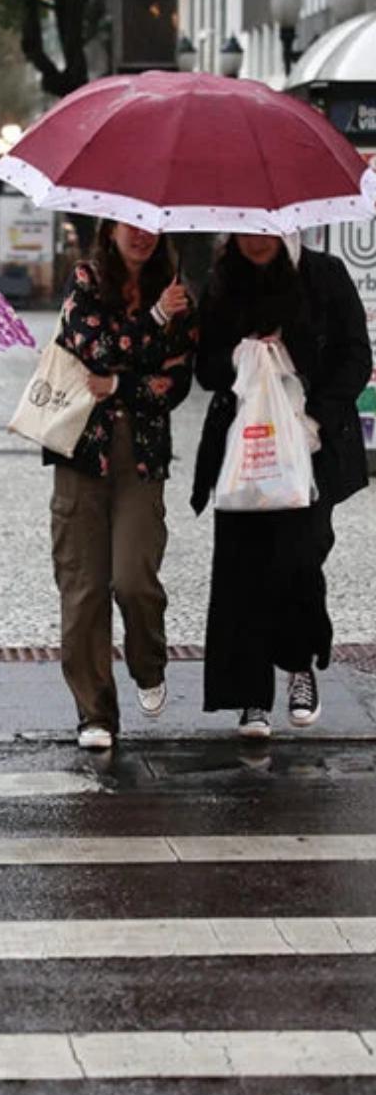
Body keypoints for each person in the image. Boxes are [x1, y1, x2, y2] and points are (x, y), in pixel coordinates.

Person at [191, 232, 370, 738]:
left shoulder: (325, 276)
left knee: (300, 556)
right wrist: (242, 355)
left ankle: (297, 663)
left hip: (311, 445)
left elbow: (355, 354)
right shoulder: (223, 283)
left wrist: (317, 418)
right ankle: (250, 694)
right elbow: (206, 371)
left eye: (265, 229)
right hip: (245, 447)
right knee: (242, 564)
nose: (255, 240)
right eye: (245, 230)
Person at [49, 219, 195, 750]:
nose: (143, 233)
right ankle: (95, 711)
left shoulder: (178, 291)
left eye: (154, 224)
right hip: (81, 449)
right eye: (130, 223)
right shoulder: (85, 281)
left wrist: (121, 385)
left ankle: (148, 661)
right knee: (83, 589)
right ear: (109, 228)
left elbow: (176, 382)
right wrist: (150, 331)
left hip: (142, 456)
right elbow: (92, 349)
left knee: (135, 578)